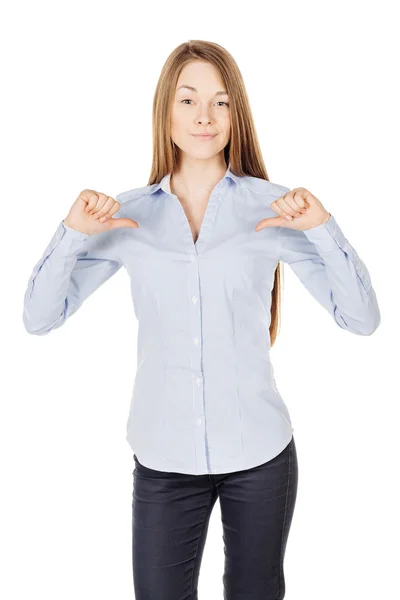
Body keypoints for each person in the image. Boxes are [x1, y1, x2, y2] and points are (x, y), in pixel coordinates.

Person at [22, 40, 381, 599]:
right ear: (166, 111)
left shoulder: (275, 207)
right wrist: (70, 232)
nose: (204, 117)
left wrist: (323, 226)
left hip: (260, 458)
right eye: (188, 100)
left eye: (220, 102)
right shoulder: (126, 215)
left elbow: (361, 319)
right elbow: (39, 317)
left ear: (237, 114)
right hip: (165, 465)